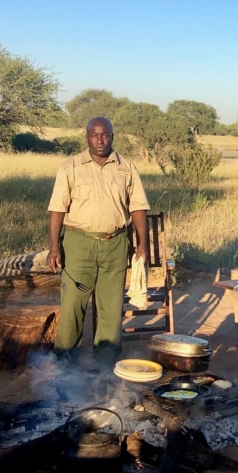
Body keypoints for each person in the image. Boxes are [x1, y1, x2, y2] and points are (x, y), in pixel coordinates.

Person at [46, 117, 150, 365]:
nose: (100, 140)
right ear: (87, 137)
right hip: (78, 244)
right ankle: (65, 367)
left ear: (112, 136)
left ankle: (105, 369)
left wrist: (142, 245)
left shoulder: (126, 167)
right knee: (72, 307)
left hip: (115, 244)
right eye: (95, 135)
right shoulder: (70, 167)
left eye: (105, 135)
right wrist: (53, 247)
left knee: (112, 309)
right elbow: (57, 209)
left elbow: (138, 207)